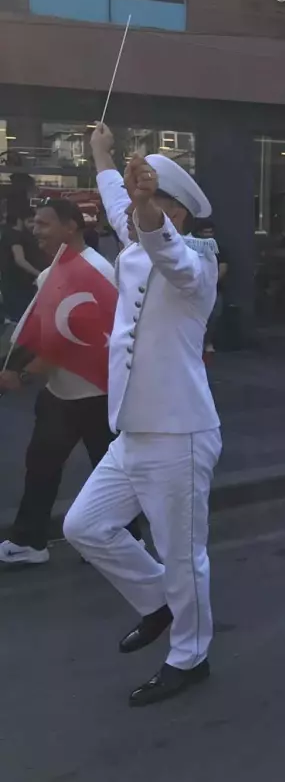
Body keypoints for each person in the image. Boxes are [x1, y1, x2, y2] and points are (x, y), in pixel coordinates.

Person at [63, 122, 221, 707]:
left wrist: (146, 207)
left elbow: (167, 251)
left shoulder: (195, 266)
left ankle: (191, 655)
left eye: (145, 201)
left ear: (172, 209)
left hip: (178, 434)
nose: (126, 213)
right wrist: (103, 154)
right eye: (132, 202)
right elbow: (117, 206)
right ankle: (159, 603)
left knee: (184, 555)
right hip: (133, 430)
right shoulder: (134, 239)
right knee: (84, 526)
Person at [0, 200, 144, 565]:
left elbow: (72, 340)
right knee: (43, 466)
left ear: (71, 227)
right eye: (34, 223)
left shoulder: (94, 272)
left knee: (108, 470)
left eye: (44, 224)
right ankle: (29, 541)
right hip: (63, 393)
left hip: (96, 394)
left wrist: (22, 374)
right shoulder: (55, 272)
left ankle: (128, 540)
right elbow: (38, 330)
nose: (36, 230)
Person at [1, 203, 43, 327]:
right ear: (20, 220)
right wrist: (40, 274)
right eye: (30, 221)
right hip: (17, 284)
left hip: (14, 283)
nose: (33, 225)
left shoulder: (8, 233)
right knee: (21, 319)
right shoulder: (15, 235)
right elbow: (20, 260)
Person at [191, 218, 228, 359]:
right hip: (196, 289)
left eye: (210, 232)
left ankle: (207, 342)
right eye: (205, 232)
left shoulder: (219, 248)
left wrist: (210, 282)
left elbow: (223, 268)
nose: (208, 235)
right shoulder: (193, 247)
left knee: (213, 316)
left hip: (215, 289)